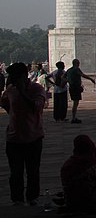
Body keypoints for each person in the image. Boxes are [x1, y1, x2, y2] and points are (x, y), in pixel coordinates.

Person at [1, 62, 46, 206]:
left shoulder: (36, 89)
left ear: (22, 76)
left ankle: (32, 197)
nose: (11, 79)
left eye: (14, 76)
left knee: (33, 171)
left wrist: (22, 92)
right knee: (15, 172)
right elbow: (5, 104)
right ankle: (17, 199)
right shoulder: (11, 90)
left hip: (33, 136)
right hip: (14, 137)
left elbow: (37, 107)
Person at [65, 59, 96, 124]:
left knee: (75, 102)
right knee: (75, 103)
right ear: (76, 63)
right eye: (78, 63)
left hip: (71, 87)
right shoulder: (76, 69)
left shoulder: (69, 70)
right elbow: (82, 75)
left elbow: (62, 77)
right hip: (76, 87)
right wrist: (91, 79)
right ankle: (73, 118)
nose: (79, 64)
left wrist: (68, 81)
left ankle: (74, 117)